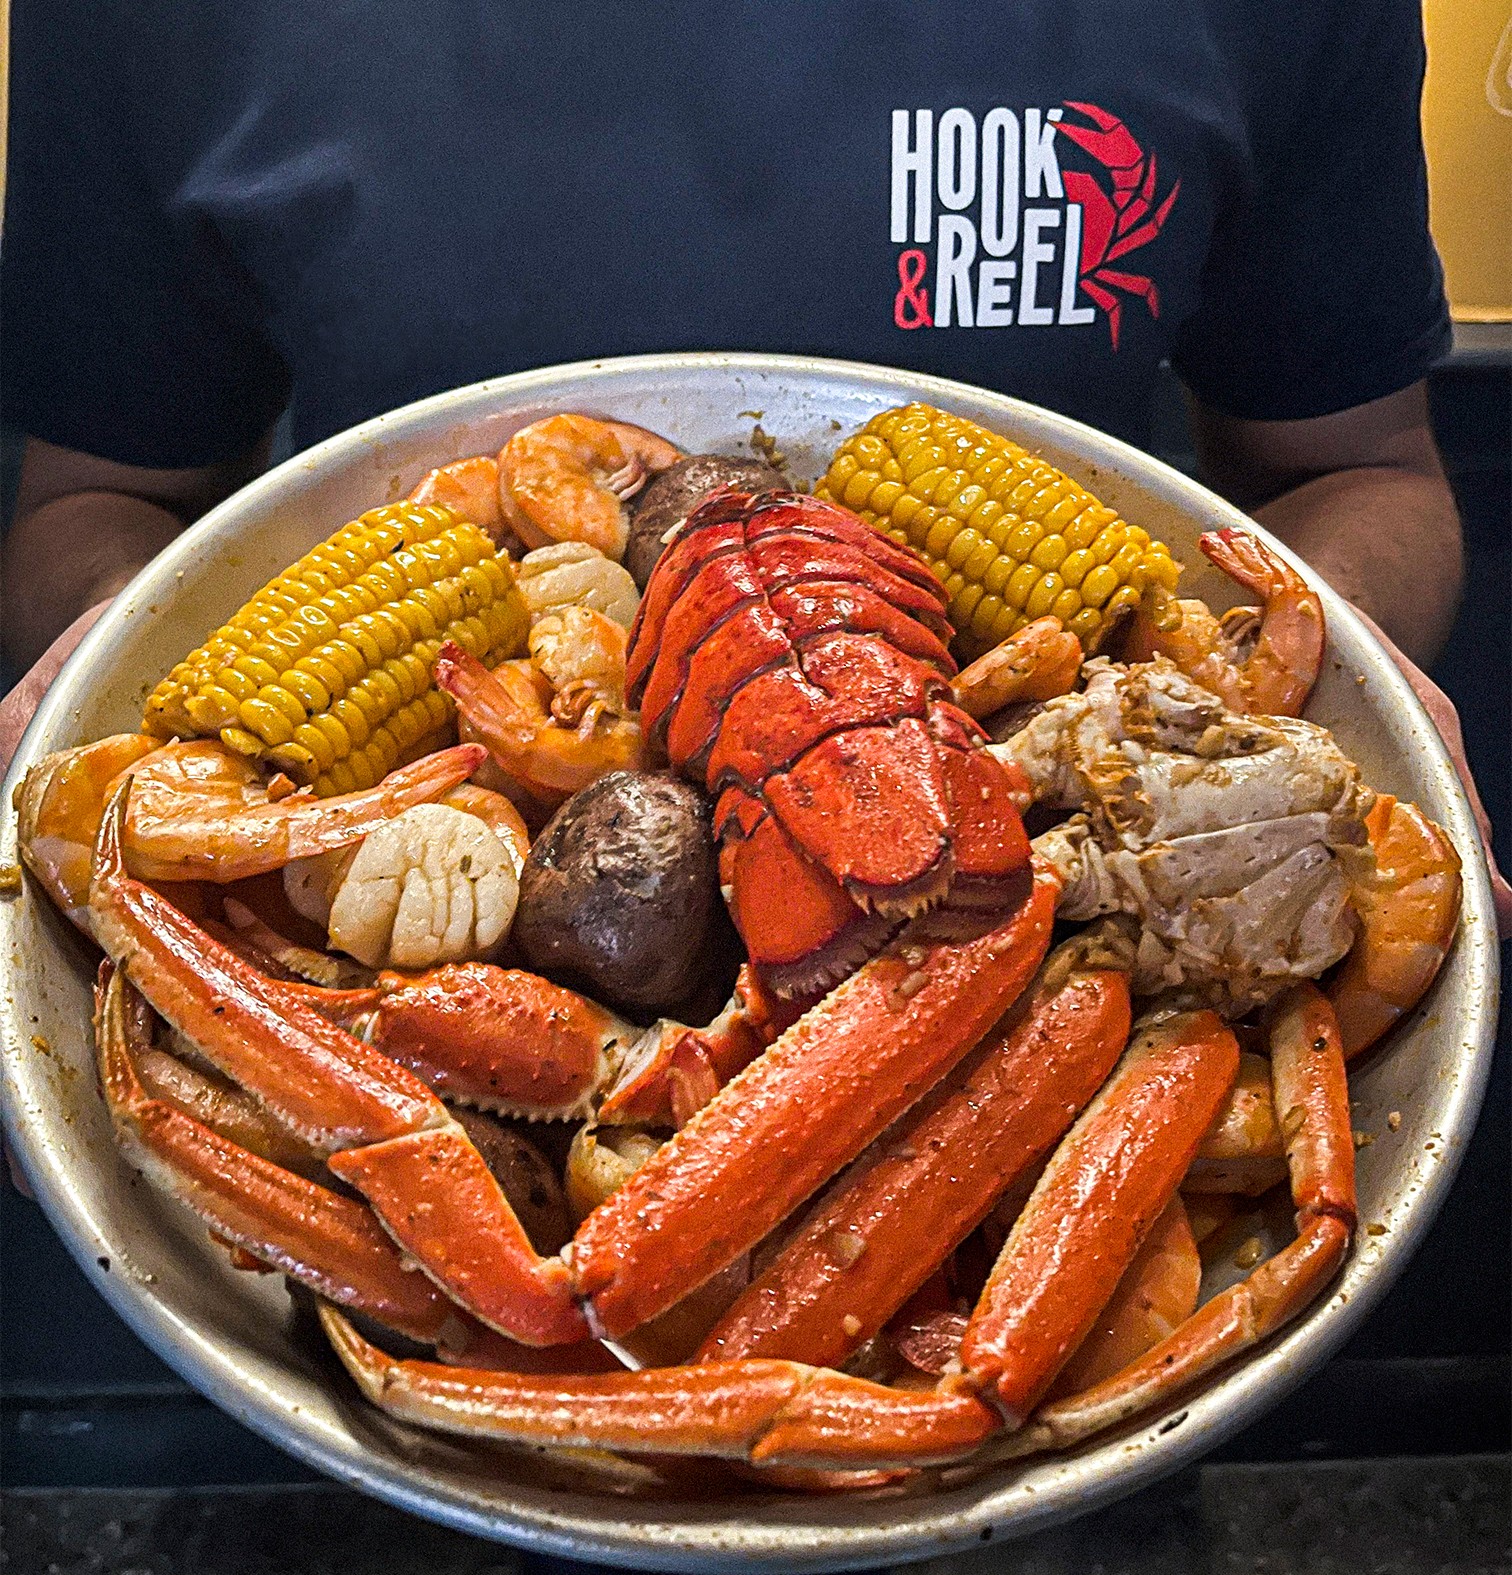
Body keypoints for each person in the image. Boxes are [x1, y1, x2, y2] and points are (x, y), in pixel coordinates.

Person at [0, 0, 1506, 922]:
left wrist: (1340, 659)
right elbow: (107, 491)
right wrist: (108, 682)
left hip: (1017, 850)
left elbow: (1358, 468)